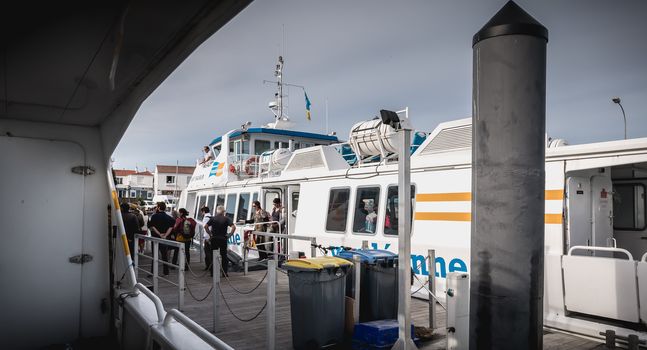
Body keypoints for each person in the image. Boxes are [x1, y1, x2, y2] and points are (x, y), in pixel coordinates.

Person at [205, 205, 236, 277]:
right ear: (223, 211)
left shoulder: (213, 218)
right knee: (224, 256)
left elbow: (206, 227)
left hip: (214, 238)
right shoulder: (226, 218)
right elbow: (234, 227)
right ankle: (224, 273)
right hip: (223, 239)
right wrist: (230, 235)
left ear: (217, 211)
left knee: (213, 256)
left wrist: (210, 234)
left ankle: (212, 272)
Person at [148, 202, 175, 275]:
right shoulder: (169, 218)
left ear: (159, 207)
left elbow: (153, 227)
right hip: (165, 239)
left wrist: (159, 234)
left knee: (154, 255)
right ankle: (166, 271)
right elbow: (171, 227)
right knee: (164, 255)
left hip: (155, 238)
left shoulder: (154, 216)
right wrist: (165, 235)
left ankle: (153, 272)